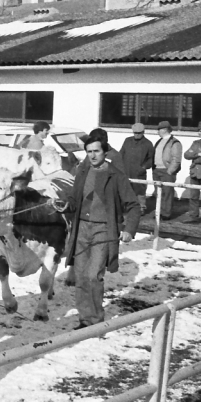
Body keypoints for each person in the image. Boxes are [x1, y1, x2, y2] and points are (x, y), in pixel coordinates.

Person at [62, 129, 141, 329]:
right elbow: (74, 199)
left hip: (104, 231)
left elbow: (133, 205)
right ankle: (84, 319)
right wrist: (64, 205)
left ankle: (95, 321)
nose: (93, 156)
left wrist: (129, 229)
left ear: (104, 151)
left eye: (97, 151)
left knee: (93, 276)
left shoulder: (115, 175)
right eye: (89, 152)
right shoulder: (82, 171)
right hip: (81, 229)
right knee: (80, 276)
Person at [119, 123, 154, 212]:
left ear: (143, 132)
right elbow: (121, 153)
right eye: (135, 133)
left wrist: (143, 167)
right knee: (126, 189)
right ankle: (126, 207)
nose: (137, 135)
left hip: (139, 173)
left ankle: (141, 208)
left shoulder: (148, 144)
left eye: (139, 133)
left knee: (140, 191)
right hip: (126, 170)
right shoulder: (127, 141)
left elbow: (151, 159)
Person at [152, 121, 182, 220]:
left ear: (164, 130)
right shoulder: (159, 141)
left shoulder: (174, 142)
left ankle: (166, 214)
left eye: (159, 129)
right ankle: (159, 212)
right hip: (157, 170)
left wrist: (170, 171)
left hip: (166, 171)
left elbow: (176, 159)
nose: (158, 131)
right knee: (158, 193)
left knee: (167, 193)